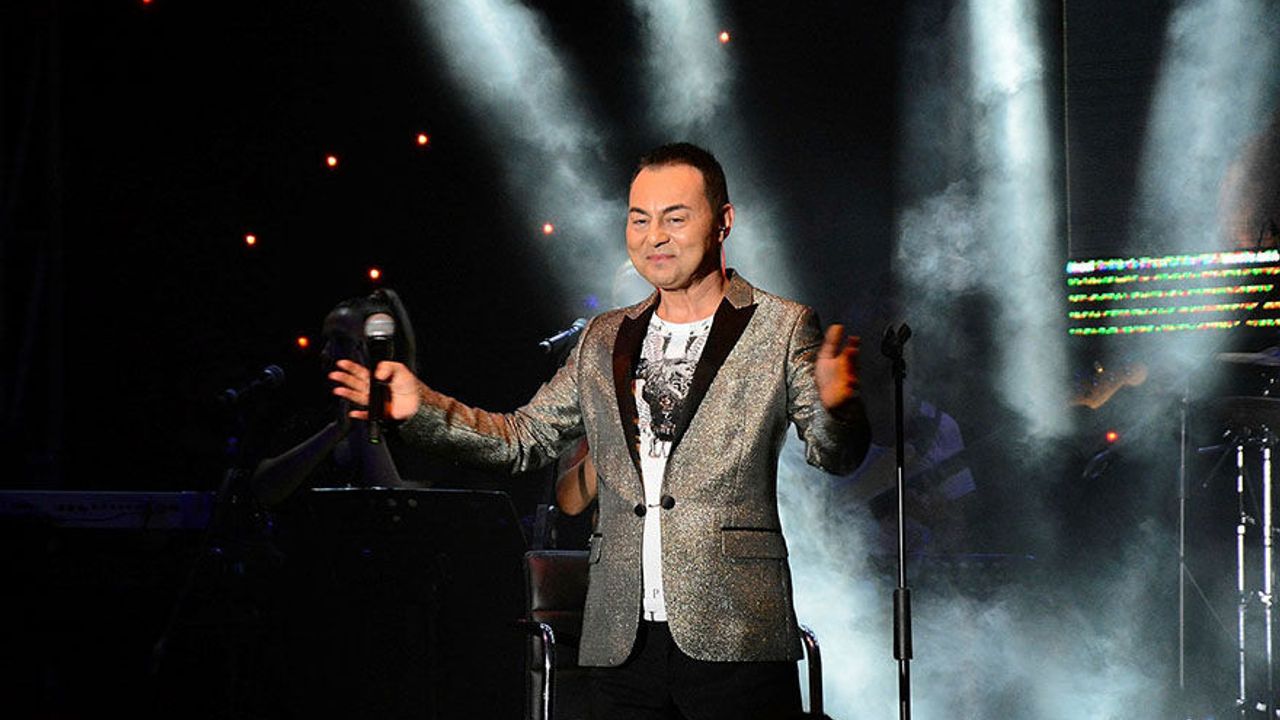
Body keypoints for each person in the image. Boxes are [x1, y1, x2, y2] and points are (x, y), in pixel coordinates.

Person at [330, 142, 871, 720]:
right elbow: (522, 438)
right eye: (639, 219)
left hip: (736, 631)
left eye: (675, 218)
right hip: (621, 640)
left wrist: (838, 409)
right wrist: (421, 408)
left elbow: (835, 455)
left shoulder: (781, 325)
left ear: (723, 222)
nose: (654, 236)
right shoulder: (603, 338)